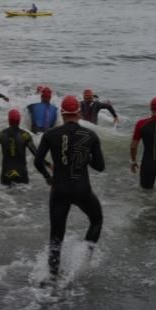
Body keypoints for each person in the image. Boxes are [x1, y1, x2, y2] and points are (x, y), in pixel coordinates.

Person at [34, 95, 104, 279]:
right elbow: (100, 166)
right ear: (79, 113)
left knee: (56, 235)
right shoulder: (91, 135)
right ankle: (85, 258)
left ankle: (53, 276)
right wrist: (85, 156)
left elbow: (38, 161)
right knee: (96, 220)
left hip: (60, 189)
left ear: (63, 114)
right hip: (82, 189)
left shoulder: (50, 134)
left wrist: (48, 177)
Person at [0, 109, 38, 185]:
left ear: (9, 120)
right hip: (21, 173)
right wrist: (48, 164)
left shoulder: (1, 134)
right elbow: (36, 154)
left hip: (6, 173)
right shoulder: (25, 135)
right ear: (19, 121)